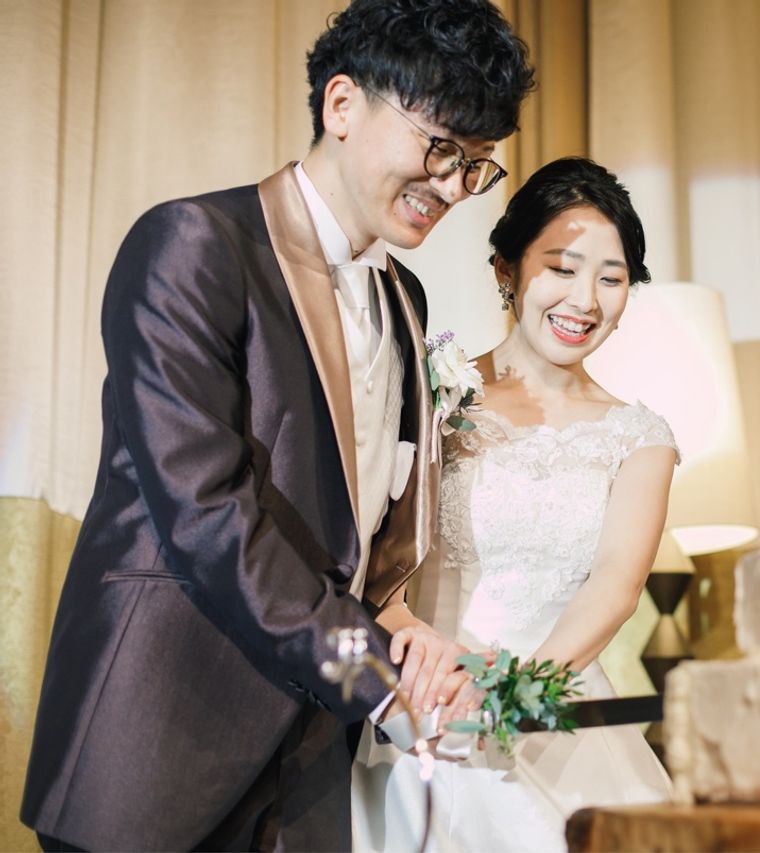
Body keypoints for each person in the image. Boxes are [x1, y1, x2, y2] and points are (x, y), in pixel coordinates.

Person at [20, 2, 534, 850]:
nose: (452, 188)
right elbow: (208, 518)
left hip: (309, 766)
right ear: (343, 104)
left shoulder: (405, 299)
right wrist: (376, 677)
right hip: (160, 743)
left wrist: (405, 633)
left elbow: (364, 535)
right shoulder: (196, 245)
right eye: (440, 148)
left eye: (475, 166)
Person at [351, 157, 677, 852]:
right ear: (506, 269)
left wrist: (516, 695)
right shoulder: (431, 397)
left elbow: (615, 587)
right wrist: (420, 659)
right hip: (429, 704)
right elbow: (375, 550)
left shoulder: (640, 436)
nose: (585, 301)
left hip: (557, 714)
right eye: (562, 268)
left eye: (612, 278)